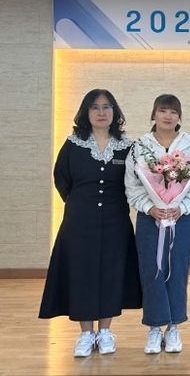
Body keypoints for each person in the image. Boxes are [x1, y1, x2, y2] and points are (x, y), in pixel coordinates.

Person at [39, 89, 142, 357]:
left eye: (106, 107)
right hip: (79, 222)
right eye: (95, 107)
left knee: (112, 272)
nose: (101, 112)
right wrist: (79, 203)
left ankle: (105, 331)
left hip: (116, 220)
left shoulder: (128, 146)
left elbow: (136, 182)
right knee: (81, 273)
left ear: (115, 112)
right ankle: (86, 334)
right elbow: (61, 178)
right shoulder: (73, 144)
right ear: (86, 112)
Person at [125, 94, 190, 354]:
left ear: (179, 116)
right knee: (152, 271)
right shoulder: (140, 145)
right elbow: (132, 185)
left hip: (181, 219)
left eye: (173, 111)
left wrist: (181, 207)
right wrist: (150, 207)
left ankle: (173, 326)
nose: (168, 116)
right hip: (150, 219)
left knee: (177, 270)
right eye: (163, 110)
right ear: (154, 114)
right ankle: (154, 326)